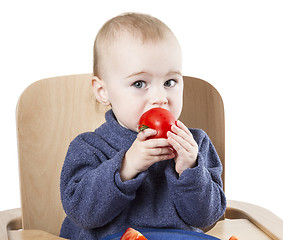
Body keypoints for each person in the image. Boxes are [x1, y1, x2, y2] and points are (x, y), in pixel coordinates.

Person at [60, 12, 226, 240]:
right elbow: (81, 214)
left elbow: (207, 218)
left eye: (170, 82)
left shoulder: (196, 145)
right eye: (139, 83)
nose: (160, 97)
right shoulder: (89, 147)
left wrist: (190, 170)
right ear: (103, 91)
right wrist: (126, 167)